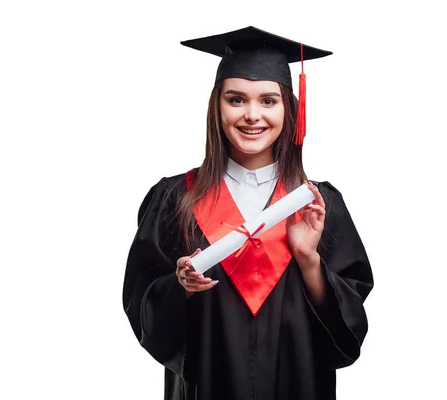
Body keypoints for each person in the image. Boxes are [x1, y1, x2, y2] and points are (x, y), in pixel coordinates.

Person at [122, 26, 374, 400]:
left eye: (268, 101)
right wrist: (181, 287)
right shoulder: (176, 199)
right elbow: (143, 309)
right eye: (236, 99)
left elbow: (347, 327)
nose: (252, 115)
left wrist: (308, 261)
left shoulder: (317, 205)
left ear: (289, 108)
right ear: (217, 106)